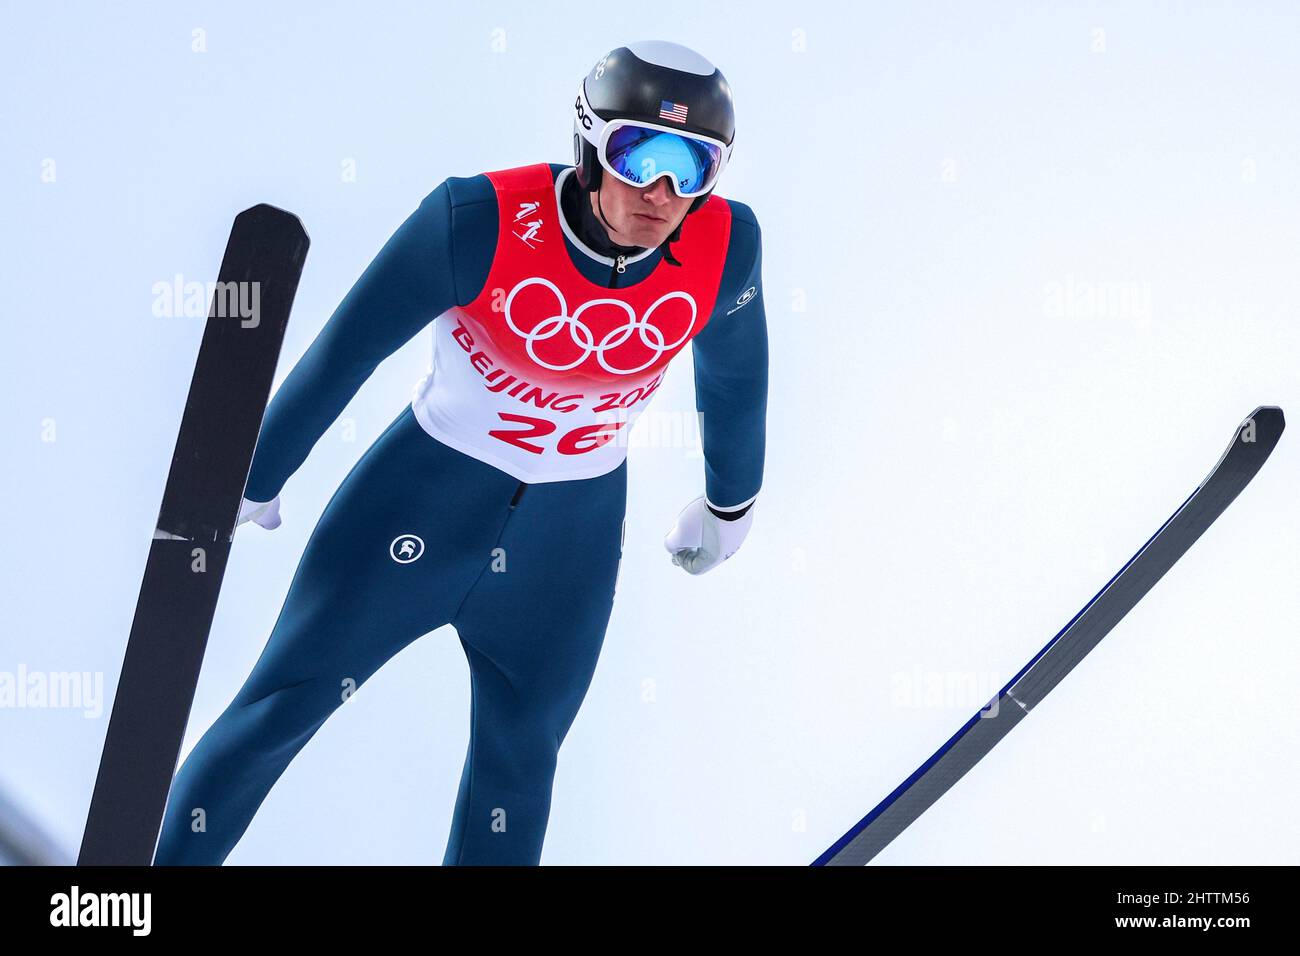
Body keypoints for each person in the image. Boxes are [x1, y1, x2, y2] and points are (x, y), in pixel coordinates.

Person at [154, 39, 768, 865]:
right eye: (640, 153)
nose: (661, 191)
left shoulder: (726, 249)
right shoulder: (477, 219)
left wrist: (732, 501)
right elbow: (348, 351)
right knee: (281, 707)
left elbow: (733, 380)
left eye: (691, 168)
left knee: (520, 766)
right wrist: (254, 473)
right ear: (591, 144)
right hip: (415, 507)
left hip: (567, 548)